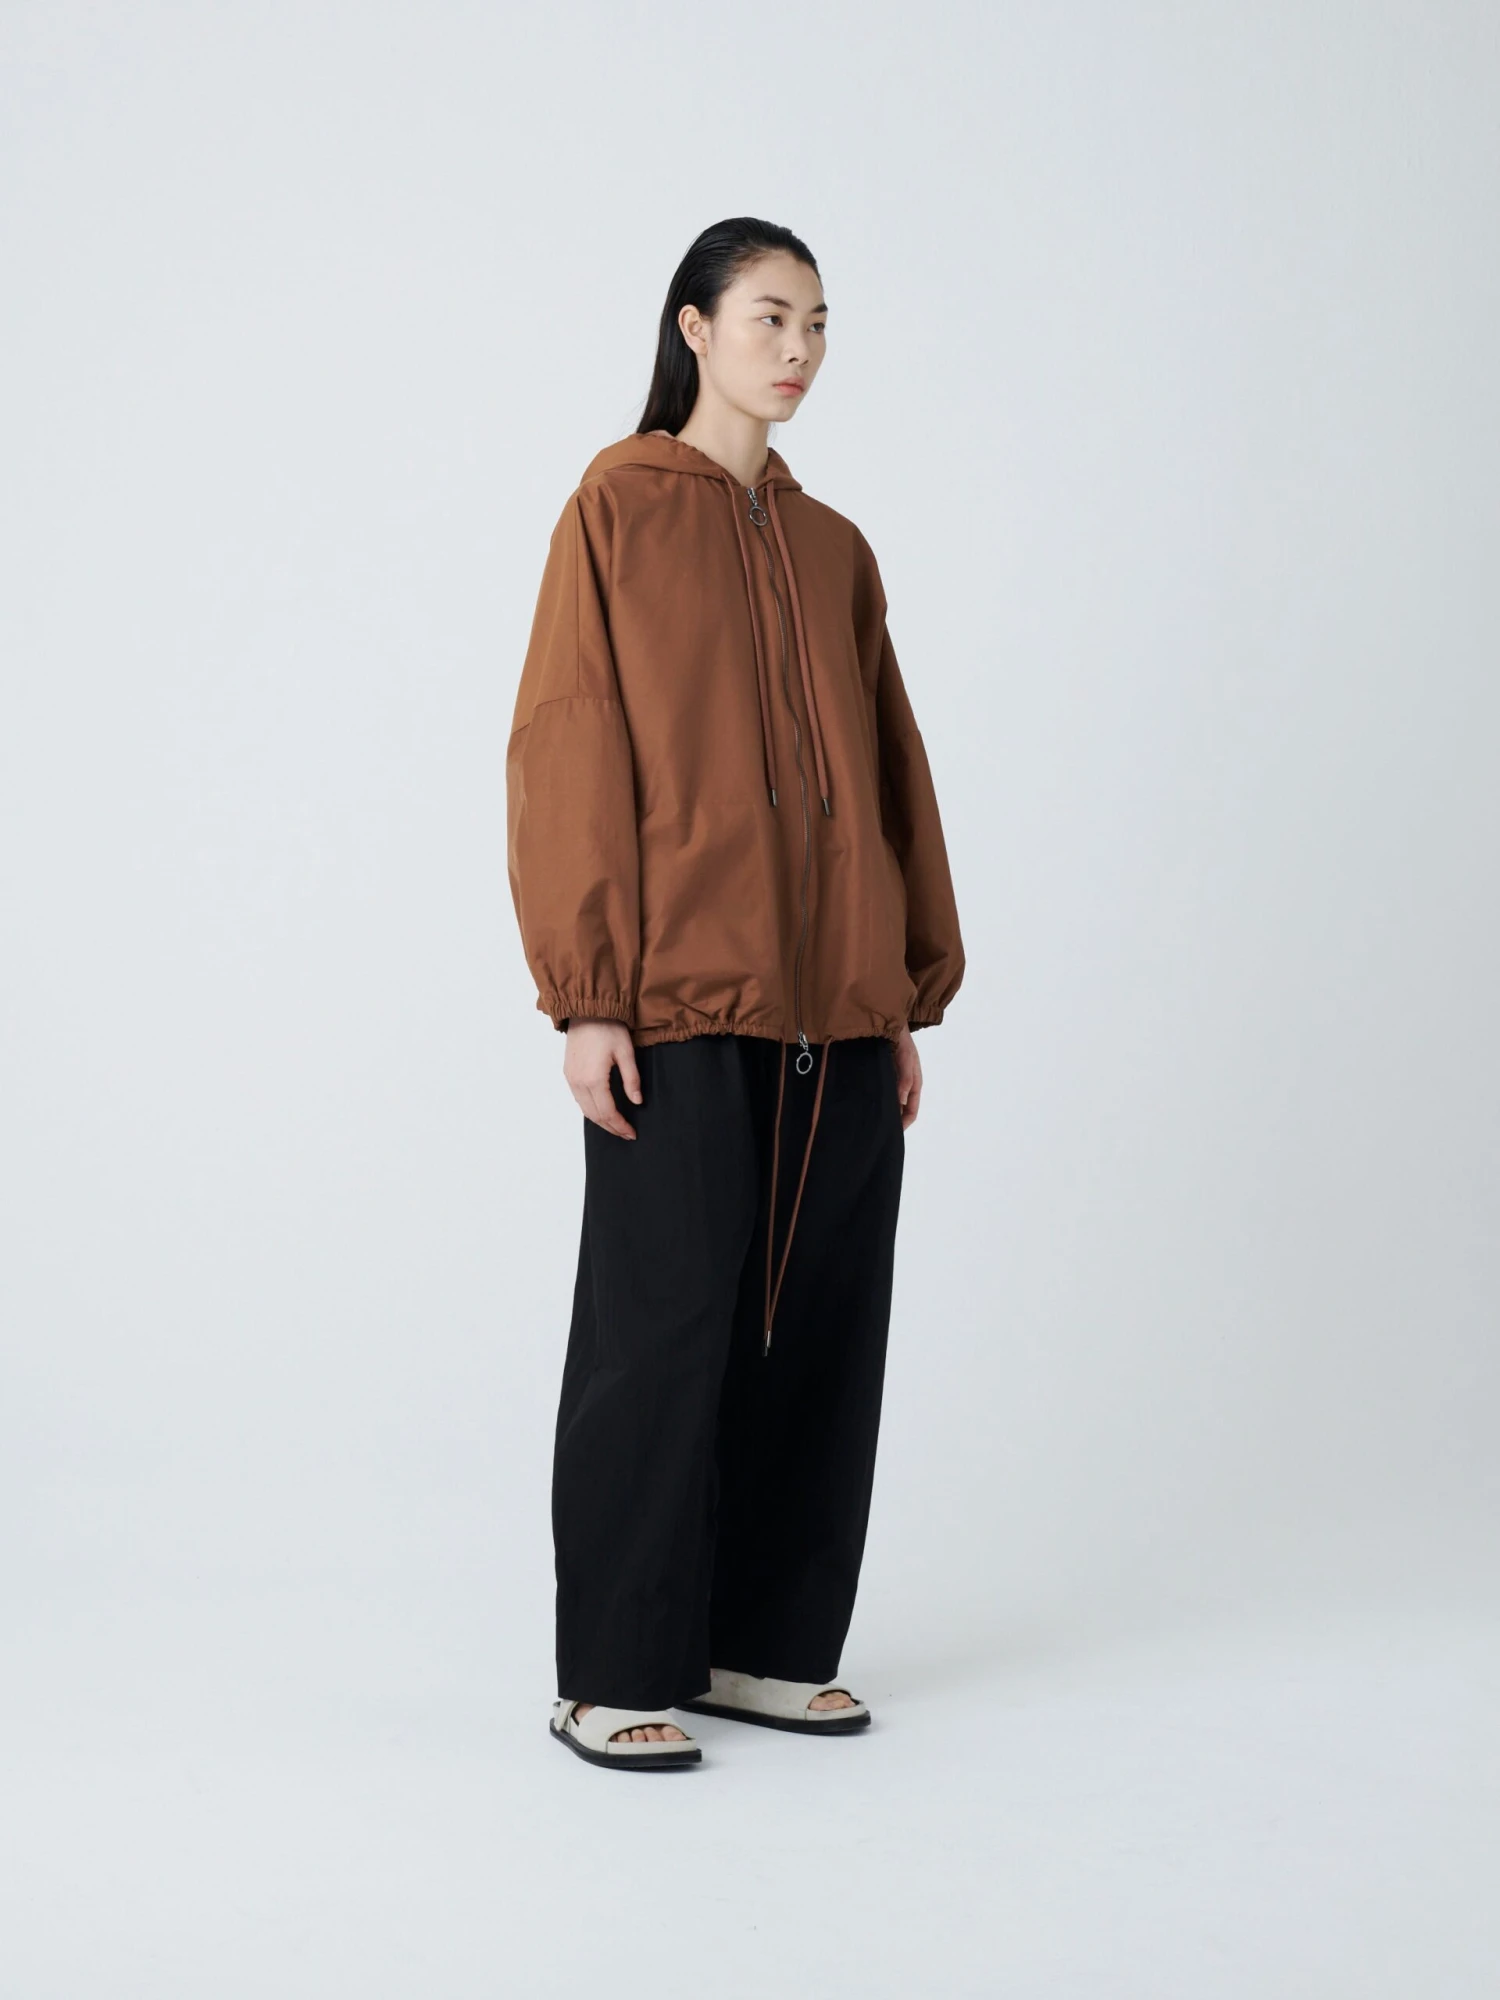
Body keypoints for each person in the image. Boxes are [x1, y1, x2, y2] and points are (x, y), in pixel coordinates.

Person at [506, 216, 965, 1771]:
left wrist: (897, 994)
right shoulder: (618, 507)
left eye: (819, 323)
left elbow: (892, 772)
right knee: (662, 1324)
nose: (800, 349)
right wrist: (590, 995)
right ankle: (613, 1669)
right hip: (679, 1000)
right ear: (693, 327)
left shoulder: (835, 548)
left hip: (836, 1010)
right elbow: (571, 740)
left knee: (820, 1327)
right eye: (771, 316)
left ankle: (761, 1648)